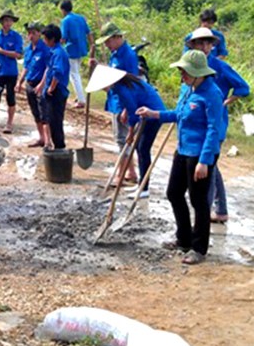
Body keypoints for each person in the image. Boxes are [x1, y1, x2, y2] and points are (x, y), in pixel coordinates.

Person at [136, 50, 223, 265]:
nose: (181, 75)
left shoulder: (212, 94)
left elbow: (214, 129)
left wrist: (204, 161)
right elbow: (177, 114)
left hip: (200, 153)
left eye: (184, 72)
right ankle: (183, 239)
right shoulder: (187, 89)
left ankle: (198, 248)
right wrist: (154, 113)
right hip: (183, 149)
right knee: (174, 193)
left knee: (198, 201)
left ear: (197, 73)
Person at [186, 27, 250, 222]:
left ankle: (203, 216)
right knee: (211, 167)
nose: (204, 47)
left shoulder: (219, 67)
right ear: (193, 46)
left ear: (213, 46)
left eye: (208, 43)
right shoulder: (192, 66)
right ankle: (221, 210)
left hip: (215, 125)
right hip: (198, 125)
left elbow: (243, 87)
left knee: (208, 169)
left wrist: (227, 101)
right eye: (200, 43)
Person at [86, 65, 166, 199]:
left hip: (153, 115)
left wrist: (130, 133)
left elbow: (133, 115)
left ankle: (144, 188)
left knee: (142, 150)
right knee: (140, 150)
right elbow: (131, 104)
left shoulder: (122, 87)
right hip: (145, 113)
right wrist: (125, 111)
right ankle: (141, 184)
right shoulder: (120, 85)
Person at [92, 22, 139, 185]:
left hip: (123, 103)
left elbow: (133, 83)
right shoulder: (116, 54)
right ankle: (131, 173)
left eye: (108, 41)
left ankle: (120, 175)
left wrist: (127, 108)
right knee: (122, 139)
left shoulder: (128, 56)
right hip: (115, 100)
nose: (106, 45)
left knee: (122, 140)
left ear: (117, 38)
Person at [35, 24, 70, 150]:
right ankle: (55, 145)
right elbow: (49, 69)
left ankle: (60, 147)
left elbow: (58, 72)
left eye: (45, 39)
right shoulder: (53, 51)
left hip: (57, 92)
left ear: (52, 39)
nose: (44, 41)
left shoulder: (59, 53)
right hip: (52, 91)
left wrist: (51, 87)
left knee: (56, 122)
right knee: (50, 119)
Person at [16, 21, 50, 147]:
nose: (31, 36)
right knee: (35, 112)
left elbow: (48, 67)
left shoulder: (45, 49)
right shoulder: (29, 49)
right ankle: (41, 138)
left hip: (40, 84)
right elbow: (26, 67)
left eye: (33, 33)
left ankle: (47, 141)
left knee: (44, 113)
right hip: (30, 84)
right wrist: (20, 82)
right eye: (29, 33)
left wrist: (42, 84)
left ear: (39, 34)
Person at [60, 0, 95, 108]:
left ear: (62, 10)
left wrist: (56, 48)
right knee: (76, 73)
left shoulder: (66, 21)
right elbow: (89, 33)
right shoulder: (80, 18)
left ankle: (81, 100)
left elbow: (63, 38)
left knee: (74, 75)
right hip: (82, 49)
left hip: (71, 50)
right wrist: (92, 45)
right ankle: (79, 96)